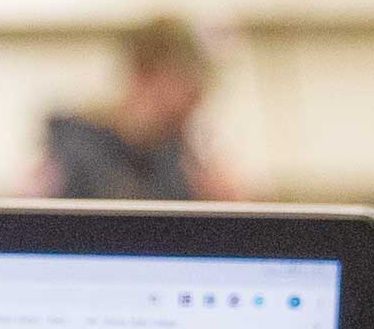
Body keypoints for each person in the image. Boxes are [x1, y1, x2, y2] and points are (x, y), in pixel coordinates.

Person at [32, 18, 239, 202]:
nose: (195, 104)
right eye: (184, 81)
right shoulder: (74, 151)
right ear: (144, 74)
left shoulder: (181, 161)